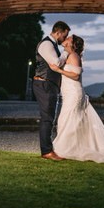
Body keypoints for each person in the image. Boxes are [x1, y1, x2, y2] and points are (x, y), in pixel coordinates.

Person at [49, 35, 104, 163]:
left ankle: (67, 149)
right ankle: (69, 147)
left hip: (74, 94)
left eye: (69, 38)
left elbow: (76, 76)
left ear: (73, 44)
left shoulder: (74, 56)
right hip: (69, 93)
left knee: (68, 120)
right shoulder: (68, 56)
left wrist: (58, 70)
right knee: (67, 120)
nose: (66, 38)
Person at [34, 21, 70, 160]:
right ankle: (47, 151)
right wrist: (66, 52)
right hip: (44, 84)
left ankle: (48, 150)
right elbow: (55, 63)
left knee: (49, 117)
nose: (64, 39)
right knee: (47, 118)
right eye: (64, 35)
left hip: (49, 85)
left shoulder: (52, 44)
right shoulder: (47, 44)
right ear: (58, 32)